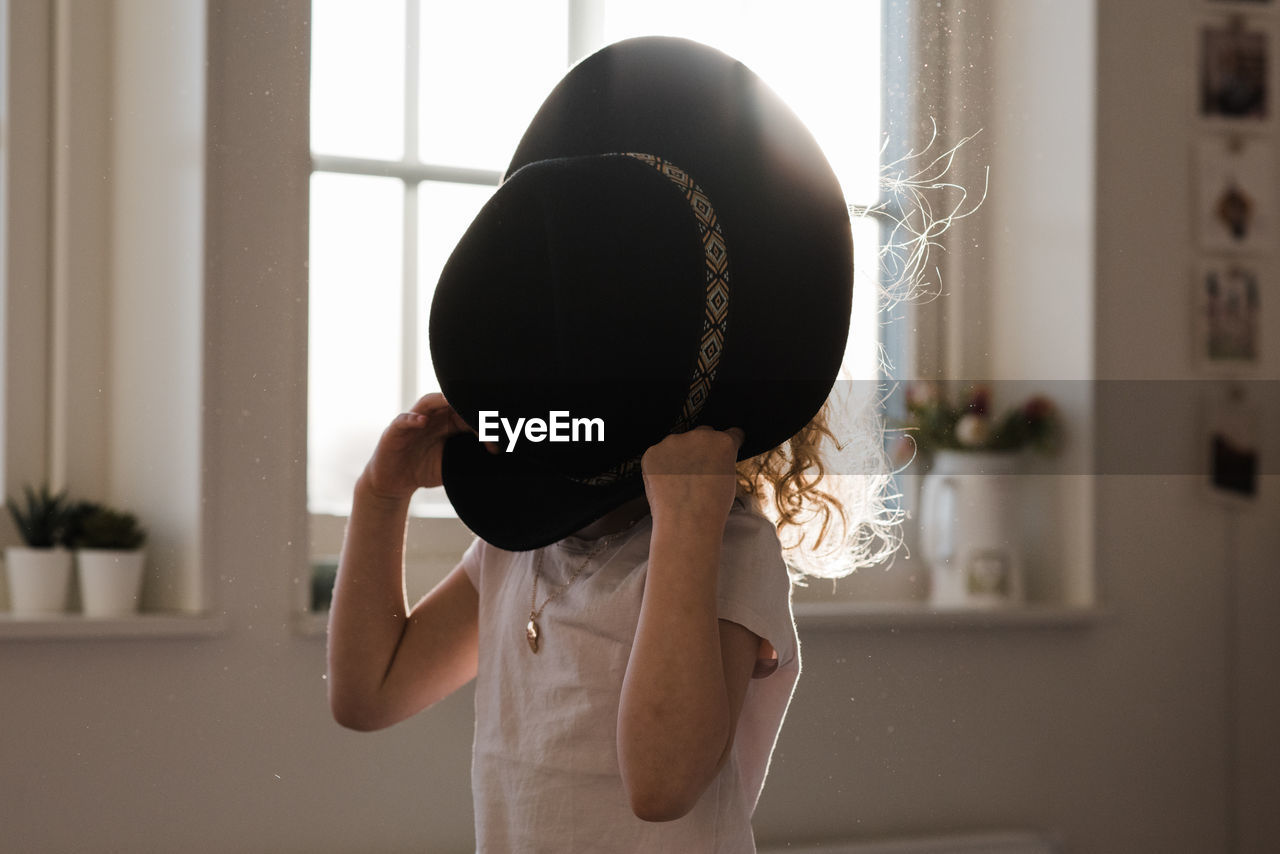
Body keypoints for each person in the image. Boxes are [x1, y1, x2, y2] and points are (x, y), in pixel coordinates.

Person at [326, 36, 894, 852]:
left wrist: (689, 525)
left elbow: (661, 786)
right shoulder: (521, 549)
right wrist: (377, 501)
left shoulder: (725, 551)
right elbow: (369, 694)